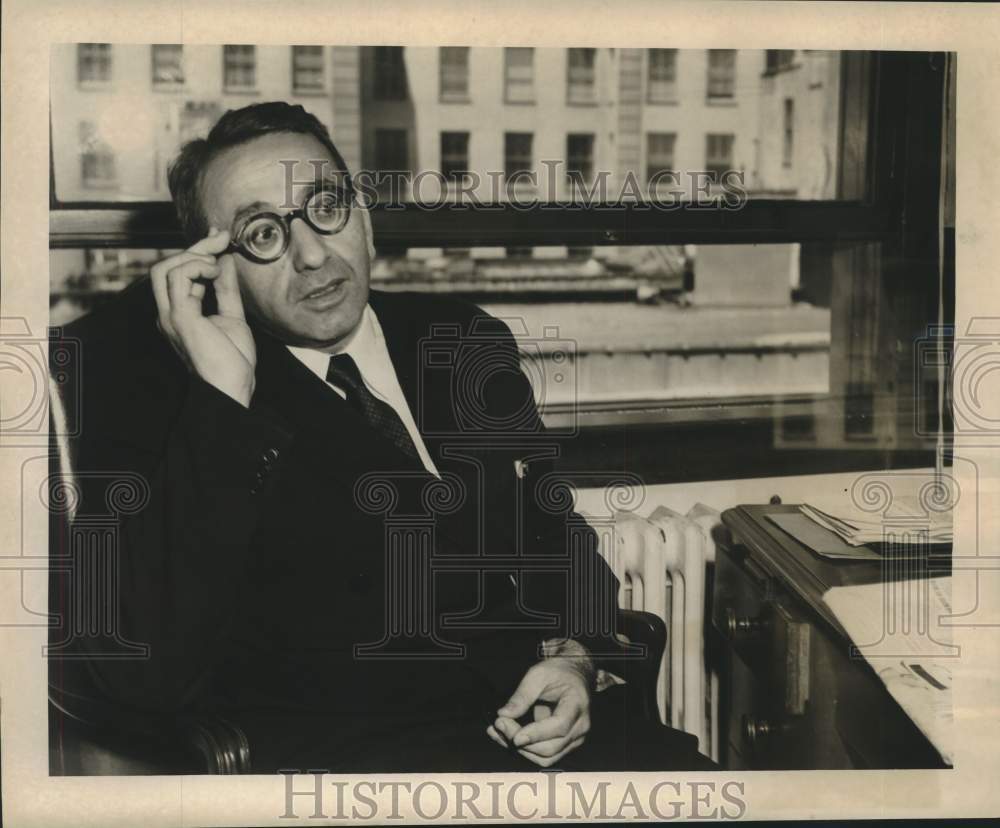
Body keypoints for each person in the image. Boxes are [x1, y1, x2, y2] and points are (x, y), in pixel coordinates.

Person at [50, 102, 713, 773]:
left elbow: (557, 537)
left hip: (565, 734)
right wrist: (224, 400)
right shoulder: (194, 404)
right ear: (217, 269)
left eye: (326, 207)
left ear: (363, 218)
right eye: (262, 234)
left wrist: (576, 658)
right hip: (374, 773)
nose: (313, 255)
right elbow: (144, 677)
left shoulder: (462, 338)